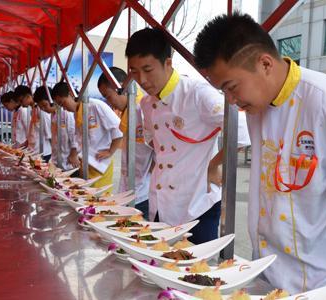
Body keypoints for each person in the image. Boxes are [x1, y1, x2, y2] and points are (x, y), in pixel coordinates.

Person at [193, 12, 326, 298]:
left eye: (231, 88)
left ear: (265, 63)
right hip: (270, 279)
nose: (231, 101)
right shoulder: (259, 107)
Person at [125, 27, 250, 244]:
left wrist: (213, 165)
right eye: (134, 72)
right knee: (162, 264)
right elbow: (157, 146)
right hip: (161, 202)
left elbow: (242, 132)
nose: (142, 80)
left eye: (147, 69)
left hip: (197, 206)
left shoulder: (197, 93)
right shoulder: (146, 103)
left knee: (196, 270)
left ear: (167, 63)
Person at [97, 66, 153, 219]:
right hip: (128, 189)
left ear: (122, 86)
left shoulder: (143, 109)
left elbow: (160, 150)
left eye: (108, 96)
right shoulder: (127, 114)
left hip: (143, 193)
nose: (110, 103)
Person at [51, 81, 123, 193]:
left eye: (63, 103)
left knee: (100, 199)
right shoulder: (77, 113)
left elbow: (118, 127)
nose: (64, 108)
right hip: (86, 163)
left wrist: (111, 151)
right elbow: (79, 138)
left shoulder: (95, 106)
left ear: (71, 94)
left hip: (100, 164)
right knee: (86, 197)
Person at [33, 86, 79, 171]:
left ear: (52, 100)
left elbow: (74, 136)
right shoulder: (53, 115)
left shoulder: (66, 113)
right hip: (57, 162)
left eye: (45, 105)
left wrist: (73, 154)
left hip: (69, 163)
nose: (44, 109)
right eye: (41, 107)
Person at [13, 85, 52, 162]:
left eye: (21, 100)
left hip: (43, 153)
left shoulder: (41, 110)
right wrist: (26, 143)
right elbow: (34, 131)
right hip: (34, 152)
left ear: (28, 96)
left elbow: (49, 134)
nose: (21, 104)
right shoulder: (33, 110)